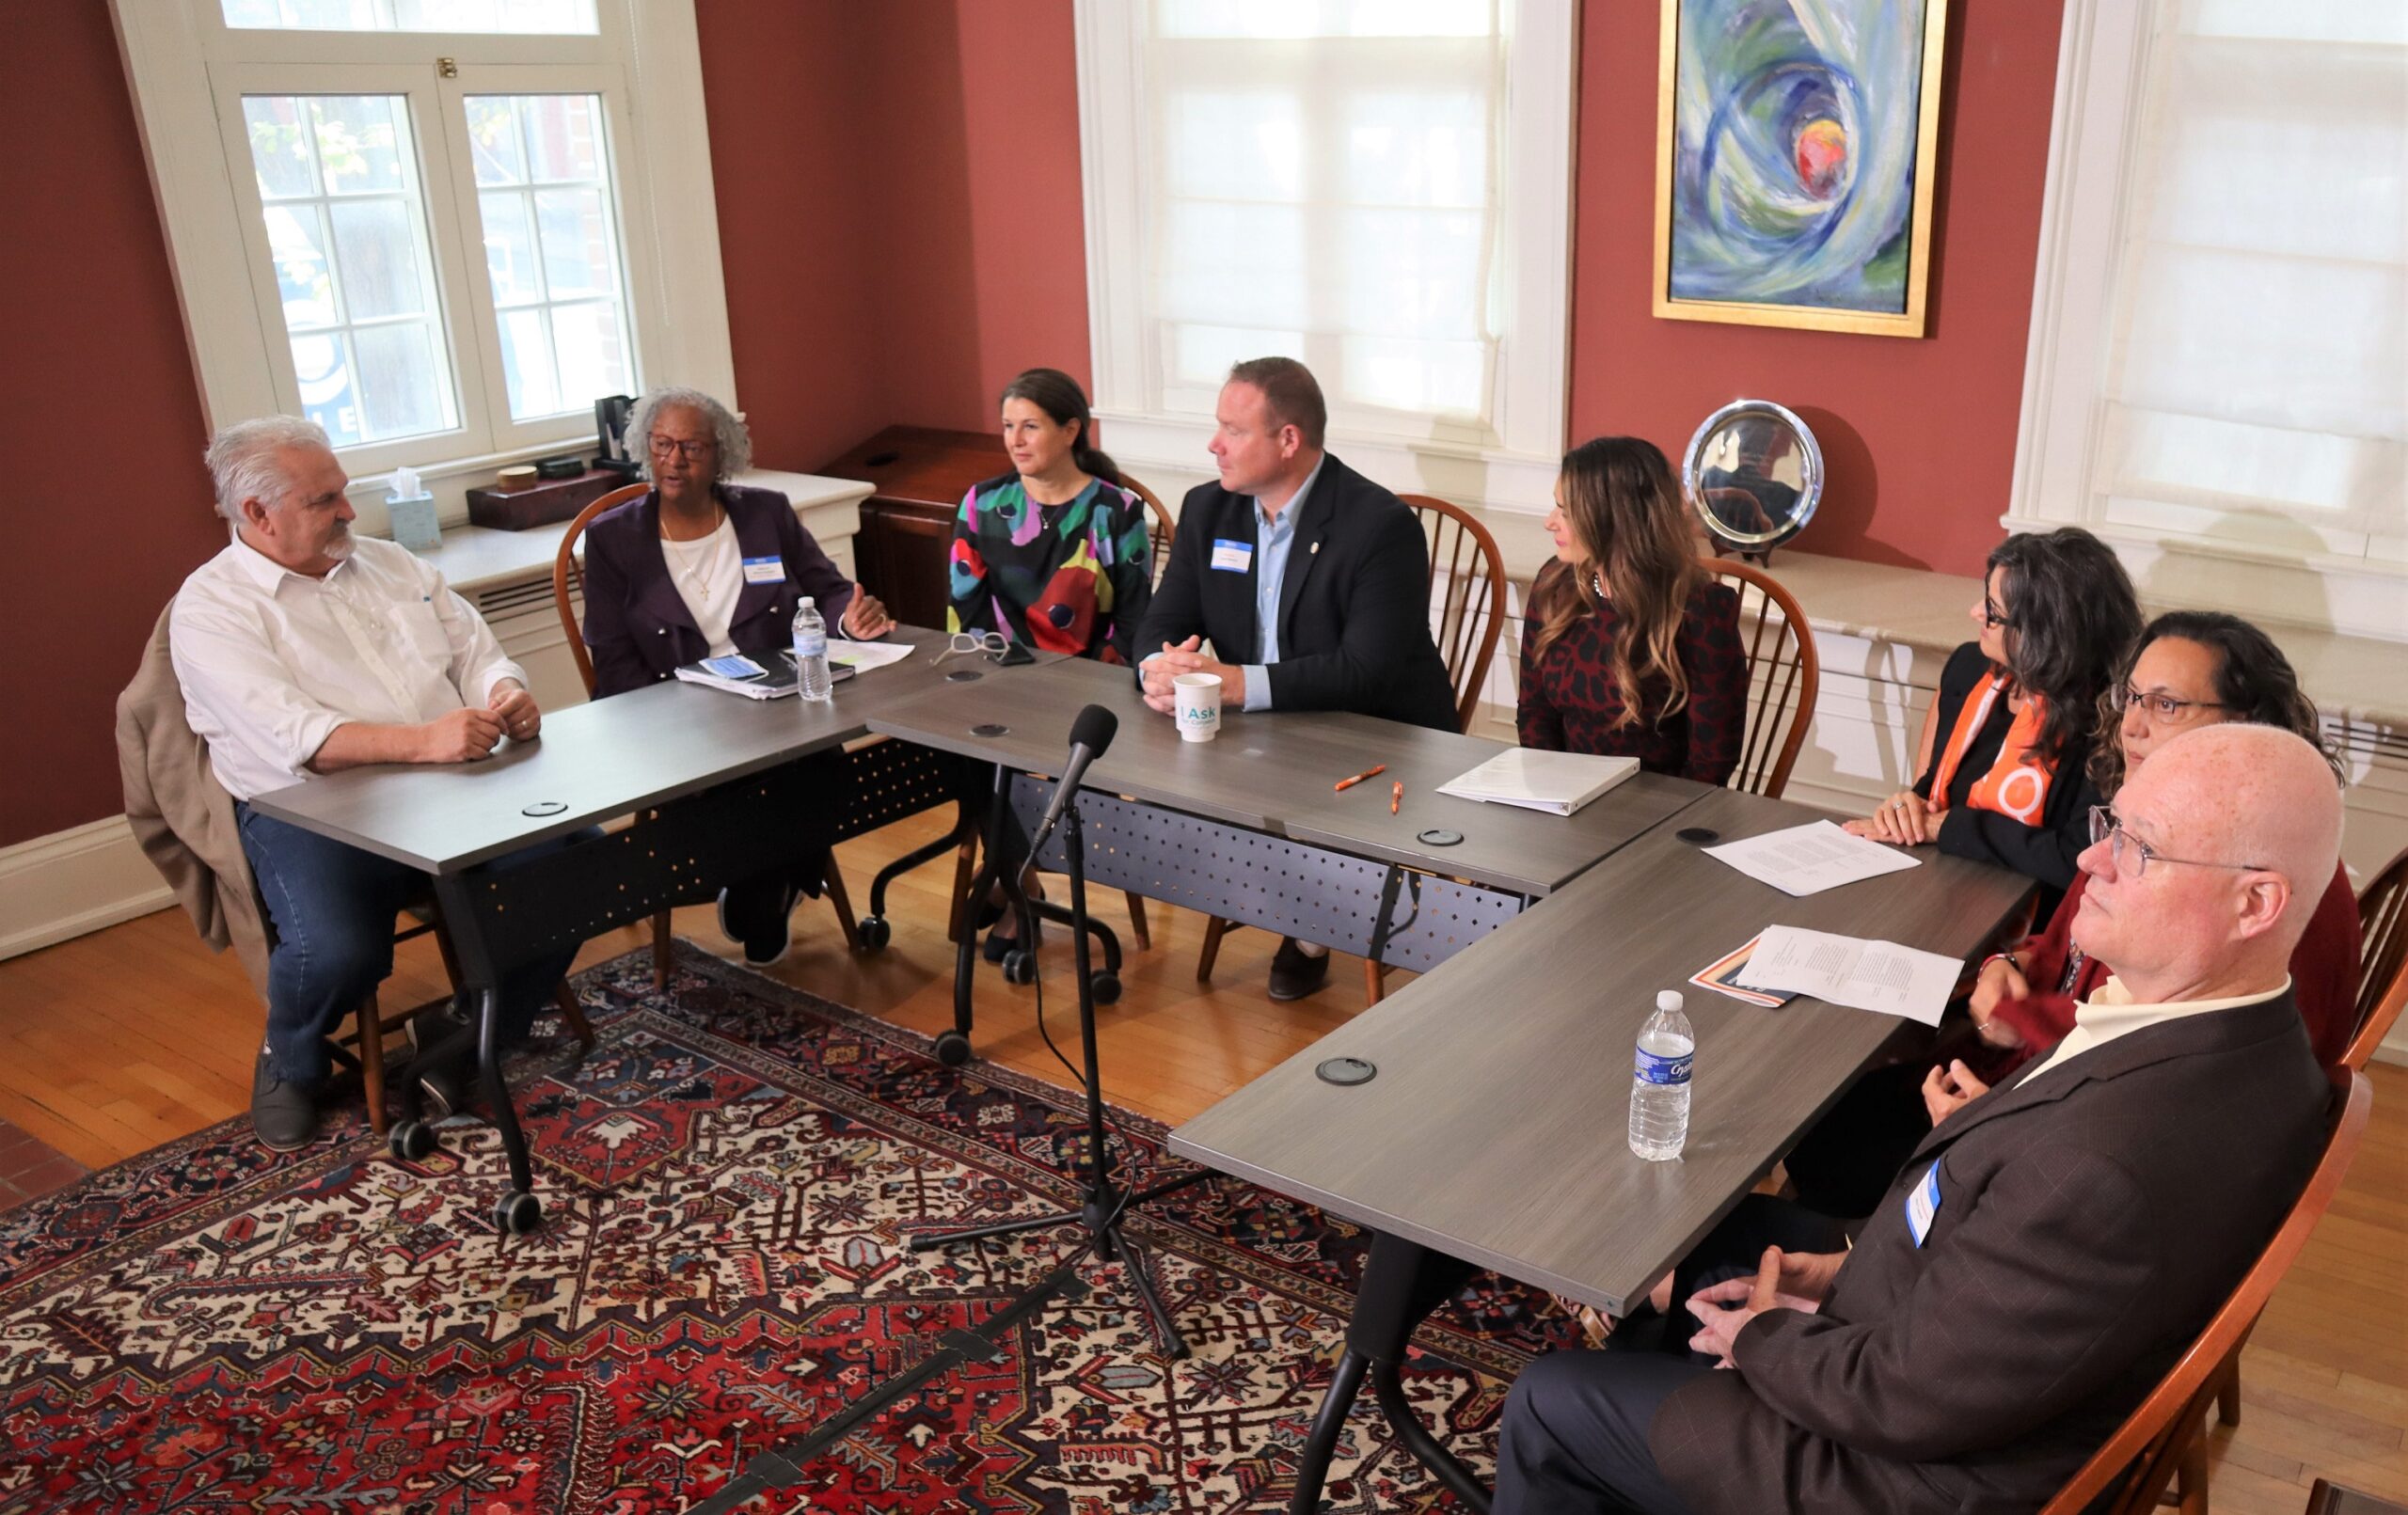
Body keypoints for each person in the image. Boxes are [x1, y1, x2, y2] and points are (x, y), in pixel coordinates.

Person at [1495, 723, 2342, 1515]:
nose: (2093, 857)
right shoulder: (2255, 1048)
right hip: (1958, 1351)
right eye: (2109, 824)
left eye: (2138, 847)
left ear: (2254, 904)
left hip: (1908, 1476)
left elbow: (1908, 1399)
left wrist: (1766, 1340)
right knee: (1720, 1239)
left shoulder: (2108, 1165)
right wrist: (1848, 1265)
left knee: (1550, 1396)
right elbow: (2018, 1265)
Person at [1787, 609, 2361, 1219]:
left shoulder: (2258, 888)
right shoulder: (2156, 822)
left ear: (2247, 723)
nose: (2133, 726)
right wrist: (2007, 963)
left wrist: (2000, 1107)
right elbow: (2066, 941)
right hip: (2040, 1081)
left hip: (2084, 1140)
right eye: (2131, 697)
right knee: (1825, 1108)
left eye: (2167, 705)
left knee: (1824, 1137)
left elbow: (2189, 1076)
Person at [172, 417, 581, 1150]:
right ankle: (289, 1061)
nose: (349, 512)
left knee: (578, 860)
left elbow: (480, 654)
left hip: (453, 784)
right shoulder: (210, 610)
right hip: (311, 807)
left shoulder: (394, 564)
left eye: (345, 492)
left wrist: (505, 692)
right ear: (257, 515)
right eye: (324, 499)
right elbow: (300, 739)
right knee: (337, 951)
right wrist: (425, 740)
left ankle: (464, 1031)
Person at [1132, 356, 1457, 999]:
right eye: (1216, 427)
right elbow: (1156, 622)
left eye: (1233, 430)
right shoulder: (1209, 511)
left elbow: (1365, 671)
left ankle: (1311, 921)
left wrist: (1232, 685)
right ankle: (1301, 905)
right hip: (1270, 732)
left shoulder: (1378, 526)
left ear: (1288, 440)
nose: (1213, 444)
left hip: (1382, 738)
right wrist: (1159, 669)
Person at [579, 387, 893, 964]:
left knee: (827, 762)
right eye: (662, 444)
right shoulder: (612, 541)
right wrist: (670, 719)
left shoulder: (764, 513)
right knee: (762, 782)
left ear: (721, 454)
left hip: (783, 705)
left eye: (692, 446)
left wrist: (847, 617)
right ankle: (774, 883)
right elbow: (613, 657)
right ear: (646, 450)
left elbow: (825, 592)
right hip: (680, 720)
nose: (675, 459)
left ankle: (764, 884)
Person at [1846, 527, 2142, 907]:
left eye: (1993, 612)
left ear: (2048, 634)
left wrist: (1953, 827)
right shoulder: (1969, 670)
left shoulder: (2108, 721)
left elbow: (2077, 862)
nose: (1975, 613)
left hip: (2034, 923)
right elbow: (1937, 790)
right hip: (1941, 890)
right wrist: (1908, 807)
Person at [1519, 436, 1746, 782]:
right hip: (1562, 798)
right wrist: (1552, 792)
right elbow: (1535, 715)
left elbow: (1711, 763)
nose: (1550, 522)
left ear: (1612, 519)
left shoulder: (1701, 611)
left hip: (1656, 812)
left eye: (1566, 512)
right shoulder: (1555, 585)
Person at [950, 368, 1152, 665]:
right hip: (999, 670)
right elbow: (965, 609)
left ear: (1070, 431)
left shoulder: (1118, 512)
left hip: (1091, 678)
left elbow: (1134, 620)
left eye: (1030, 427)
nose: (1015, 440)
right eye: (1008, 426)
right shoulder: (980, 504)